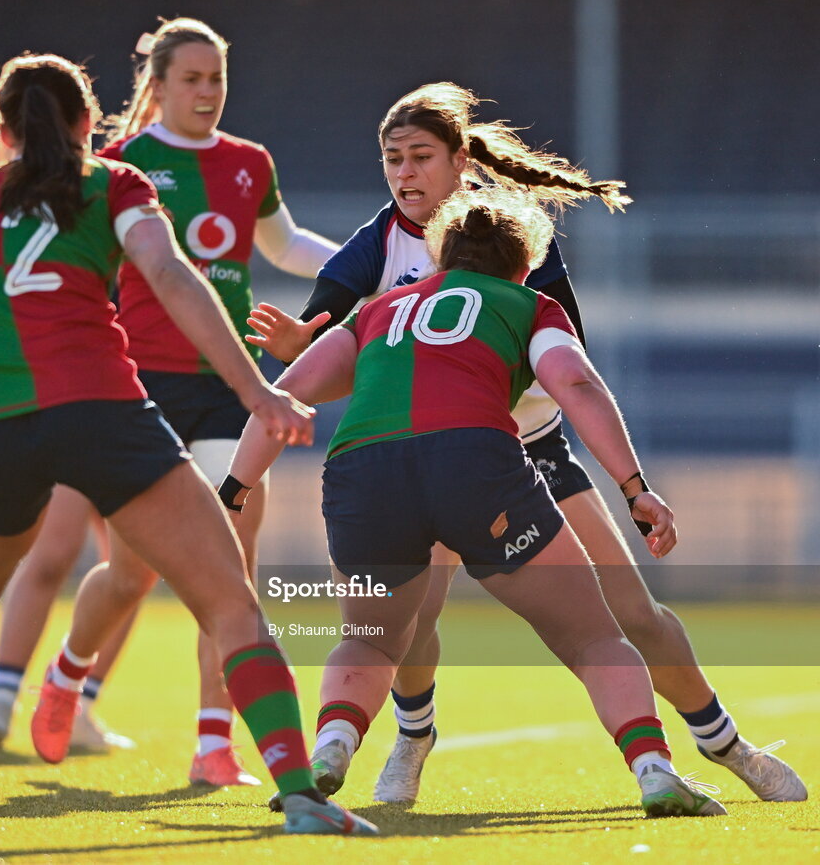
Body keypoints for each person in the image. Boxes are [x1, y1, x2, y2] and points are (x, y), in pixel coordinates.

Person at [0, 53, 376, 837]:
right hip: (99, 410)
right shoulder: (112, 183)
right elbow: (170, 275)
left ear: (0, 127)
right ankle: (301, 795)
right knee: (227, 596)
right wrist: (257, 389)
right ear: (89, 122)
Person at [247, 83, 807, 806]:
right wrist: (303, 339)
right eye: (393, 159)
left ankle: (728, 746)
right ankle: (413, 740)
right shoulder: (375, 242)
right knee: (408, 618)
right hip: (442, 450)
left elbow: (565, 354)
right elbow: (319, 338)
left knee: (633, 613)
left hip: (522, 447)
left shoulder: (507, 236)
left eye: (421, 157)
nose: (405, 174)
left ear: (460, 162)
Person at [0, 17, 341, 786]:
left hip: (229, 384)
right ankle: (67, 672)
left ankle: (214, 744)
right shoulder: (121, 165)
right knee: (132, 572)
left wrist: (370, 270)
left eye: (217, 78)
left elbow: (283, 244)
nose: (207, 92)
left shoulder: (250, 163)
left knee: (232, 565)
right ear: (160, 84)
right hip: (142, 384)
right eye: (192, 79)